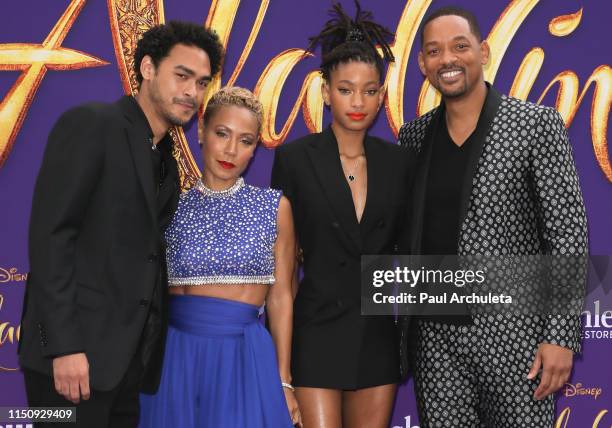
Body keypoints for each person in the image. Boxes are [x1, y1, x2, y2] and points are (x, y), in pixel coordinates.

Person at [18, 21, 223, 427]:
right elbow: (51, 237)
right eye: (181, 76)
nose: (192, 93)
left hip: (125, 364)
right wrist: (64, 347)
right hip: (70, 362)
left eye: (201, 83)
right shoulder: (93, 124)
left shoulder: (163, 156)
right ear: (147, 68)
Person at [397, 6, 588, 427]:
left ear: (483, 52)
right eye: (434, 51)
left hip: (516, 338)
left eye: (459, 46)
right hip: (436, 342)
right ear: (424, 65)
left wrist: (559, 336)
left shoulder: (534, 125)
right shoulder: (412, 138)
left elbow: (567, 233)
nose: (447, 59)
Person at [271, 2, 412, 427]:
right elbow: (282, 277)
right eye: (346, 89)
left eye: (370, 91)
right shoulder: (295, 159)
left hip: (376, 337)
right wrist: (282, 374)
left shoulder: (400, 162)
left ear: (382, 95)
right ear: (325, 91)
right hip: (315, 333)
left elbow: (412, 254)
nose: (358, 101)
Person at [139, 86, 300, 427]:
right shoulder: (171, 206)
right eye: (222, 133)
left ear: (256, 148)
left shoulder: (273, 207)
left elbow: (282, 298)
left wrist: (284, 380)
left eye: (246, 140)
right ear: (201, 131)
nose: (231, 150)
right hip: (174, 359)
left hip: (242, 357)